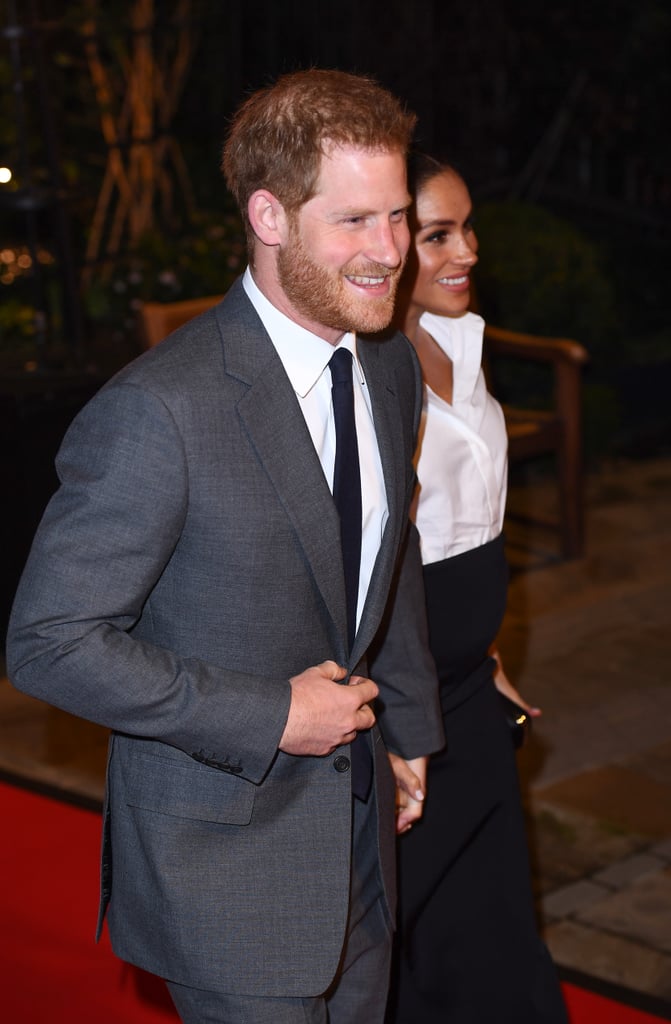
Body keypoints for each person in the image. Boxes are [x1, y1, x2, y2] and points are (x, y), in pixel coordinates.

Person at [5, 71, 445, 1024]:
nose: (390, 255)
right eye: (355, 222)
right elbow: (49, 641)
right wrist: (270, 714)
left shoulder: (388, 361)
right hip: (224, 863)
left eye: (400, 217)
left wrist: (405, 730)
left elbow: (385, 557)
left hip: (364, 839)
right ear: (268, 216)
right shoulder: (157, 411)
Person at [380, 154, 568, 1023]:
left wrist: (484, 653)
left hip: (469, 690)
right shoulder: (365, 378)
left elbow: (460, 529)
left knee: (492, 929)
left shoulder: (459, 338)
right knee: (400, 944)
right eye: (437, 235)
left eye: (465, 226)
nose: (468, 250)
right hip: (399, 706)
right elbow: (362, 572)